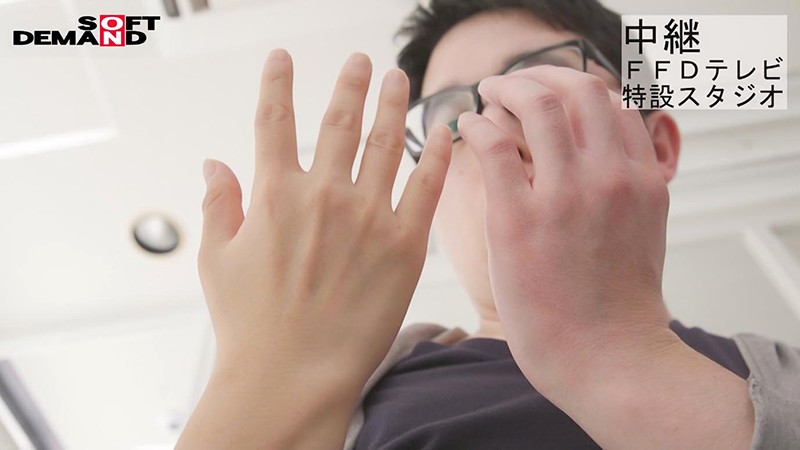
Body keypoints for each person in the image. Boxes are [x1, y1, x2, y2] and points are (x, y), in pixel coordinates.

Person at [175, 1, 800, 449]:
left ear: (654, 145)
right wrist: (270, 379)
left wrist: (610, 347)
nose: (491, 126)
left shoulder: (781, 377)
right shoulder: (347, 390)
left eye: (539, 79)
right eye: (450, 114)